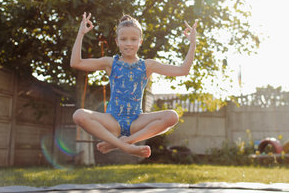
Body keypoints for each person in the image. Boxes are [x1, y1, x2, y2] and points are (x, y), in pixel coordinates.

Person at [70, 12, 197, 158]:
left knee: (172, 117)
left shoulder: (148, 65)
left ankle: (124, 142)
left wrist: (192, 43)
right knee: (79, 115)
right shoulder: (110, 63)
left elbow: (183, 70)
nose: (128, 43)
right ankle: (126, 146)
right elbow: (76, 63)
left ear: (140, 41)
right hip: (112, 121)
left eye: (133, 39)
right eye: (123, 39)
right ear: (117, 41)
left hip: (136, 120)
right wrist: (81, 33)